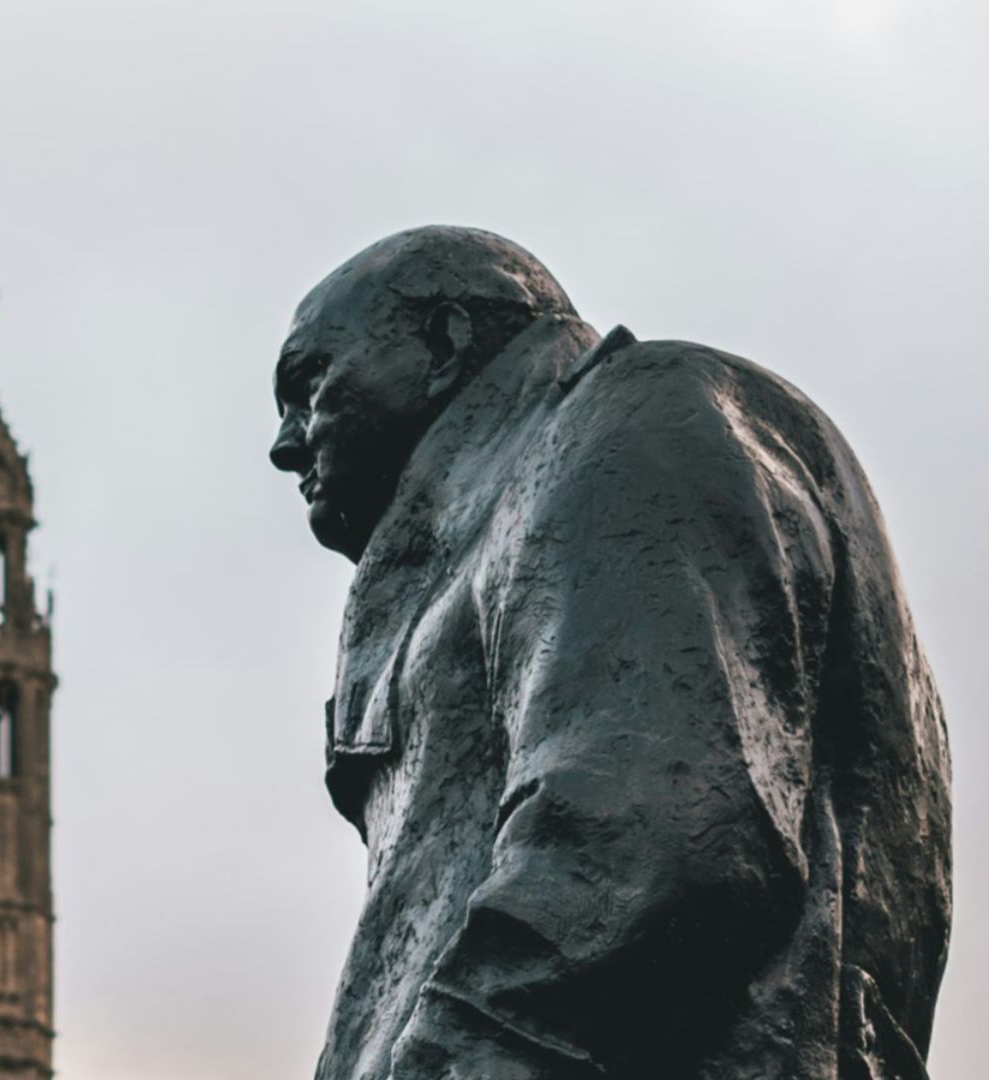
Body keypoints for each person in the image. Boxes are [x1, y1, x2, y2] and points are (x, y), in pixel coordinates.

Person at [269, 227, 950, 1079]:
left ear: (443, 342)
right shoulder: (492, 519)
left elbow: (652, 844)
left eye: (309, 385)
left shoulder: (632, 424)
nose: (287, 443)